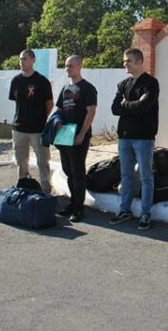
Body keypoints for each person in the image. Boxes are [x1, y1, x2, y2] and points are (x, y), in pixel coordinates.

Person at [108, 48, 160, 230]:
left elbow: (144, 107)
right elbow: (115, 108)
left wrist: (126, 104)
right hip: (125, 137)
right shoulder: (123, 84)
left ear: (139, 62)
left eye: (128, 61)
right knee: (126, 175)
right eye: (124, 61)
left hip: (144, 137)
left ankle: (146, 213)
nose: (125, 64)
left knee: (146, 177)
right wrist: (132, 105)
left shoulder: (151, 84)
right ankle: (124, 210)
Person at [55, 55, 97, 223]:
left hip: (79, 135)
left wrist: (82, 134)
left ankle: (79, 208)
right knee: (68, 171)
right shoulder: (65, 88)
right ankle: (72, 203)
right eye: (66, 66)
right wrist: (56, 123)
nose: (67, 69)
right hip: (64, 133)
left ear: (79, 66)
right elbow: (59, 109)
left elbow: (91, 111)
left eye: (71, 66)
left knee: (78, 172)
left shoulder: (88, 88)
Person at [9, 49, 54, 192]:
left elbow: (49, 104)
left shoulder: (42, 81)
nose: (21, 62)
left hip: (38, 130)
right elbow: (17, 101)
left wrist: (41, 119)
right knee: (21, 162)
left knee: (42, 162)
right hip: (19, 129)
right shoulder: (16, 81)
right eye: (20, 59)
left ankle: (46, 191)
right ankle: (23, 189)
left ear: (33, 60)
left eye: (25, 59)